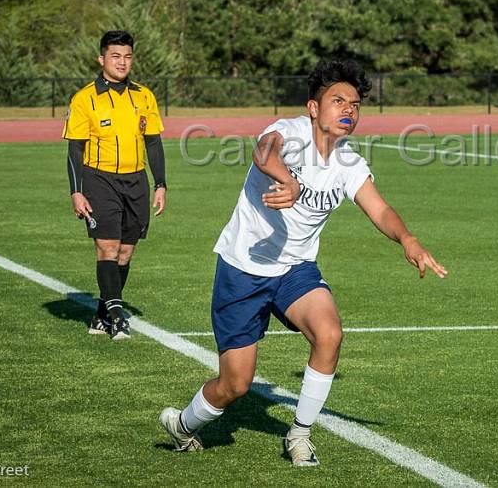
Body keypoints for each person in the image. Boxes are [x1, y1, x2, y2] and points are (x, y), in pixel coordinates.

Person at [158, 59, 446, 466]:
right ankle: (184, 425)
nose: (349, 109)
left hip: (295, 270)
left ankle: (300, 434)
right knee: (235, 384)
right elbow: (263, 152)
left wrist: (408, 239)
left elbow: (379, 209)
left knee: (329, 334)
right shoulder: (289, 133)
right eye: (338, 100)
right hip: (244, 268)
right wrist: (288, 180)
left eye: (356, 104)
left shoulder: (349, 163)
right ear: (314, 107)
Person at [62, 30, 167, 340]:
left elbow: (154, 143)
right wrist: (76, 190)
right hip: (99, 179)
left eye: (127, 57)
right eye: (116, 56)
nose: (122, 62)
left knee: (125, 253)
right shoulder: (85, 98)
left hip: (136, 181)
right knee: (107, 247)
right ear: (102, 59)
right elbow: (75, 149)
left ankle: (100, 313)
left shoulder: (144, 95)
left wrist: (160, 183)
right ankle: (118, 316)